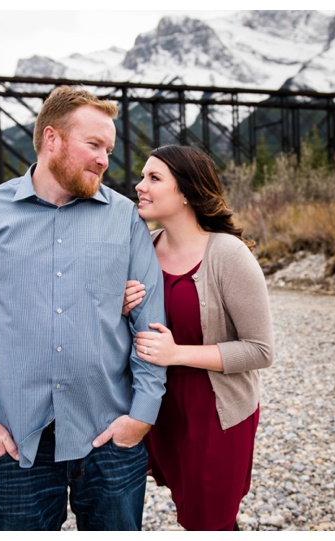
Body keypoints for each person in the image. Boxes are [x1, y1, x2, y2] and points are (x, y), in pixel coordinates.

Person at [0, 86, 167, 531]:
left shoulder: (125, 219)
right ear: (52, 139)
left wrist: (141, 416)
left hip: (108, 438)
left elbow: (150, 325)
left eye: (109, 149)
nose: (105, 159)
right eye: (93, 145)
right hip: (17, 442)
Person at [124, 144, 274, 531]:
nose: (140, 186)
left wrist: (177, 353)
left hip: (216, 411)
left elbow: (260, 350)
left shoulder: (228, 254)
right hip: (163, 408)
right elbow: (136, 338)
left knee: (209, 520)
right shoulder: (144, 249)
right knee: (191, 510)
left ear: (187, 191)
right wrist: (120, 311)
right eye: (142, 176)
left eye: (154, 178)